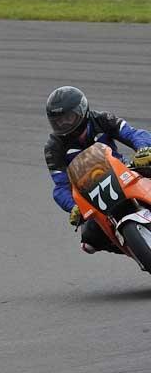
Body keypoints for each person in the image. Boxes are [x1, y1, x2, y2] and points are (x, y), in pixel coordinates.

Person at [44, 86, 151, 253]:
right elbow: (60, 186)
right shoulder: (53, 148)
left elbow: (133, 134)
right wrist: (73, 206)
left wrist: (143, 149)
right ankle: (135, 248)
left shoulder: (102, 119)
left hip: (122, 171)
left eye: (68, 118)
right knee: (88, 243)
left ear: (82, 111)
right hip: (91, 194)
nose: (64, 124)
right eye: (58, 121)